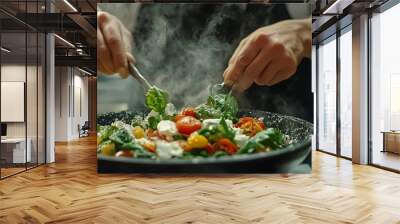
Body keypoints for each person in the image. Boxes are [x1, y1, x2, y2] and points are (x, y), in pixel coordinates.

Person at [97, 4, 312, 122]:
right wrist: (92, 23)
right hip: (147, 144)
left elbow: (342, 11)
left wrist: (304, 31)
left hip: (277, 156)